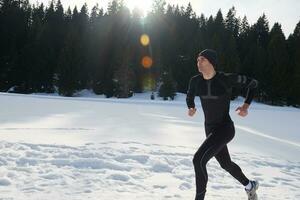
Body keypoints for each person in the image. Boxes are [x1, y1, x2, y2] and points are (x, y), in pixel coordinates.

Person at [186, 49, 259, 200]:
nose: (198, 63)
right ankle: (249, 185)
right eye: (197, 60)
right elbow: (189, 94)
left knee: (198, 160)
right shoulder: (195, 80)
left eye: (202, 60)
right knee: (225, 164)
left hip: (225, 128)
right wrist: (191, 107)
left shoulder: (226, 79)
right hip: (210, 130)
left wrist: (245, 106)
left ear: (211, 62)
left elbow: (253, 84)